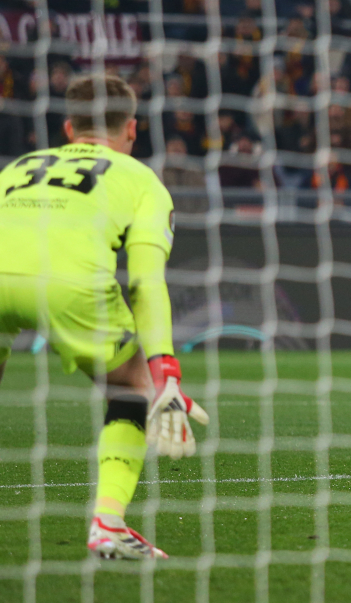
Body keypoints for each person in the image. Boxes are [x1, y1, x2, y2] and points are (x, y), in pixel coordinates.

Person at [0, 75, 209, 560]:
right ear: (131, 130)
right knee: (131, 386)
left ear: (70, 129)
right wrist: (166, 375)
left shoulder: (17, 168)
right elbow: (145, 283)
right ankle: (108, 523)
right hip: (69, 287)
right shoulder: (141, 181)